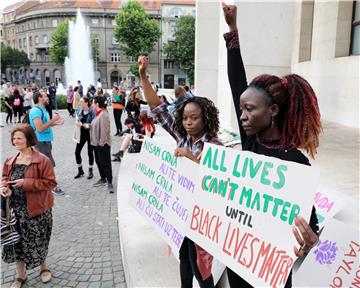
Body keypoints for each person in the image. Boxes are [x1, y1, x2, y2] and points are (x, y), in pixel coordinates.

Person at [222, 4, 320, 287]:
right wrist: (232, 32)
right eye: (241, 109)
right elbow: (236, 82)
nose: (242, 117)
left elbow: (308, 227)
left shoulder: (297, 163)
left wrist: (309, 241)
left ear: (273, 111)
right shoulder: (251, 140)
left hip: (271, 274)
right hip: (240, 263)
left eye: (249, 109)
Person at [138, 55, 222, 288]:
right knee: (184, 258)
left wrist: (191, 159)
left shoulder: (215, 146)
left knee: (200, 266)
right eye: (185, 118)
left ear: (206, 119)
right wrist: (143, 75)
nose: (188, 123)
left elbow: (215, 182)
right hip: (181, 213)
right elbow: (157, 108)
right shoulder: (182, 137)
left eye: (194, 118)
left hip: (202, 218)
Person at [1, 124, 56, 287]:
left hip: (37, 209)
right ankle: (20, 275)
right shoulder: (10, 161)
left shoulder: (42, 160)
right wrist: (4, 187)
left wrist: (26, 183)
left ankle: (44, 268)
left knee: (38, 239)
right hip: (15, 209)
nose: (15, 141)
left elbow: (50, 183)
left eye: (19, 138)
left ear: (28, 139)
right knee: (16, 241)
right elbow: (4, 178)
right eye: (14, 138)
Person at [29, 90, 65, 196]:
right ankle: (52, 185)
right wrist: (52, 120)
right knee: (49, 164)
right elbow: (39, 128)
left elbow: (45, 124)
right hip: (40, 141)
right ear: (40, 98)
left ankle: (41, 183)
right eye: (45, 96)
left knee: (43, 164)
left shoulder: (43, 109)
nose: (47, 97)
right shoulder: (35, 111)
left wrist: (56, 123)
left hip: (46, 140)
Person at [90, 96, 114, 194]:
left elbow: (104, 131)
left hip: (102, 144)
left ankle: (109, 182)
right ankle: (103, 178)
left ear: (97, 104)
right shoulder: (98, 114)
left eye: (93, 103)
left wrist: (101, 144)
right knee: (99, 161)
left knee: (105, 163)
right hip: (96, 143)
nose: (92, 104)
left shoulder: (103, 114)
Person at [74, 97, 96, 179]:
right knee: (77, 152)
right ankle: (80, 170)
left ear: (87, 103)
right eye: (79, 101)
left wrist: (82, 125)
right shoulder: (79, 110)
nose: (79, 103)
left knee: (90, 152)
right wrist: (76, 122)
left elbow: (92, 125)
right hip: (81, 134)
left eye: (81, 101)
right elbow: (77, 120)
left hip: (90, 134)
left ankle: (90, 170)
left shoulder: (92, 111)